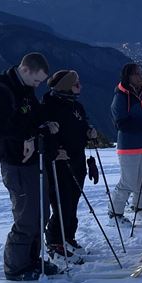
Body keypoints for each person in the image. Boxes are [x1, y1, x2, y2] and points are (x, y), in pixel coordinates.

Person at [0, 52, 61, 280]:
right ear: (25, 69)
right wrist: (29, 135)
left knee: (41, 213)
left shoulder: (25, 89)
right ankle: (16, 267)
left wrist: (44, 125)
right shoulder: (1, 91)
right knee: (26, 216)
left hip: (33, 160)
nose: (38, 85)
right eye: (36, 80)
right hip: (15, 162)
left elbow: (34, 116)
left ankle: (32, 259)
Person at [41, 69, 98, 261]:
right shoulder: (48, 106)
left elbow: (81, 127)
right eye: (76, 84)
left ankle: (68, 237)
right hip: (58, 163)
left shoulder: (76, 105)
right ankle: (55, 241)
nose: (80, 86)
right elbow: (43, 134)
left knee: (72, 201)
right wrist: (54, 152)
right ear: (65, 86)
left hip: (77, 160)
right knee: (61, 202)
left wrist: (89, 132)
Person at [108, 63, 142, 223]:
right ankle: (115, 213)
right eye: (136, 74)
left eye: (140, 73)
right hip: (129, 146)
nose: (140, 76)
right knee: (128, 182)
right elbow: (121, 123)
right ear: (128, 77)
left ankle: (140, 208)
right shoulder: (121, 96)